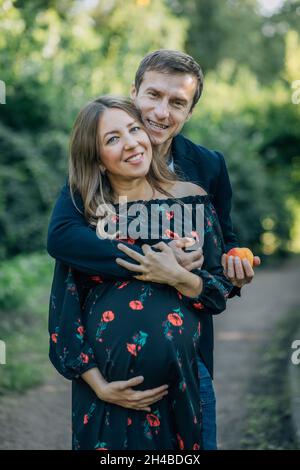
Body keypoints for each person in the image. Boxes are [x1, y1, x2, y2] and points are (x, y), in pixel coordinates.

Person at [47, 50, 260, 449]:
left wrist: (235, 260)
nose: (161, 113)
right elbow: (62, 242)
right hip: (106, 382)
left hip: (186, 360)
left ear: (190, 111)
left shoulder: (205, 171)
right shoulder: (95, 184)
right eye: (153, 96)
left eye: (177, 102)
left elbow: (222, 247)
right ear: (134, 93)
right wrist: (156, 257)